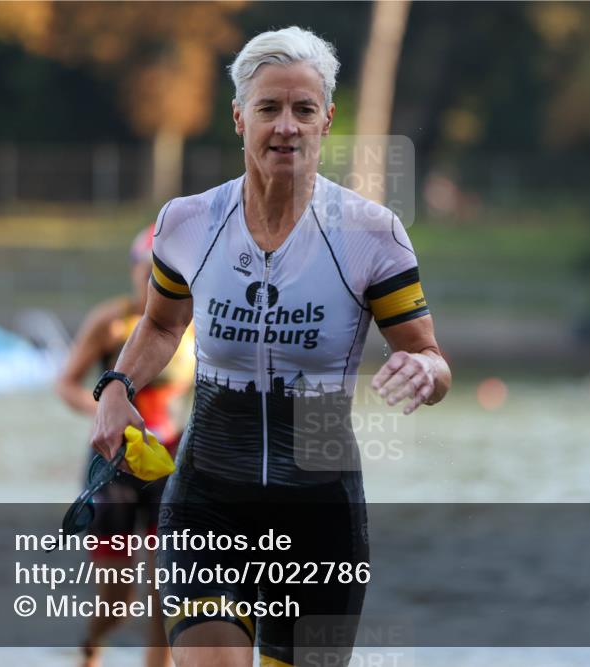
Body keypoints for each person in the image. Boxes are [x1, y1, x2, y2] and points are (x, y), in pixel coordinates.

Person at [90, 26, 451, 667]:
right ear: (239, 117)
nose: (286, 126)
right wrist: (117, 388)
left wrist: (423, 369)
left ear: (327, 120)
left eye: (303, 109)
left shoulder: (374, 234)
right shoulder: (188, 223)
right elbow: (163, 324)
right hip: (208, 500)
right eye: (269, 108)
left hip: (319, 512)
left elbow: (430, 354)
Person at [58, 224, 195, 667]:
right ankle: (92, 643)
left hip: (168, 463)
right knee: (118, 599)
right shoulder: (111, 321)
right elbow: (66, 383)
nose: (154, 282)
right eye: (147, 271)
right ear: (135, 271)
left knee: (166, 590)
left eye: (166, 274)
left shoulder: (194, 327)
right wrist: (104, 413)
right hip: (112, 463)